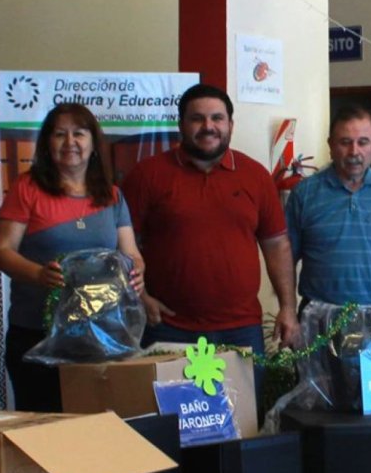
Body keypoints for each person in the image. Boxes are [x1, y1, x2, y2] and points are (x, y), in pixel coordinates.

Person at [121, 83, 300, 355]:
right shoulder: (147, 175)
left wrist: (288, 307)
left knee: (244, 388)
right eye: (197, 118)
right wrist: (140, 297)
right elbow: (122, 245)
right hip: (167, 325)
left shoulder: (255, 176)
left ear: (230, 125)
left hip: (241, 328)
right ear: (181, 125)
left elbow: (276, 245)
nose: (208, 126)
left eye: (217, 118)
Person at [0, 103, 144, 412]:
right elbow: (2, 252)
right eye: (60, 134)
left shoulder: (112, 195)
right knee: (42, 429)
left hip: (102, 336)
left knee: (95, 429)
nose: (70, 142)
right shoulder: (27, 188)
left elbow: (131, 254)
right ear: (47, 143)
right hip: (36, 335)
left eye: (79, 133)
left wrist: (137, 271)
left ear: (93, 143)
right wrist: (38, 274)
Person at [285, 106, 371, 341]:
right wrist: (288, 311)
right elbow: (285, 260)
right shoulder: (305, 194)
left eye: (363, 142)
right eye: (345, 142)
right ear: (331, 145)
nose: (354, 151)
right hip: (318, 324)